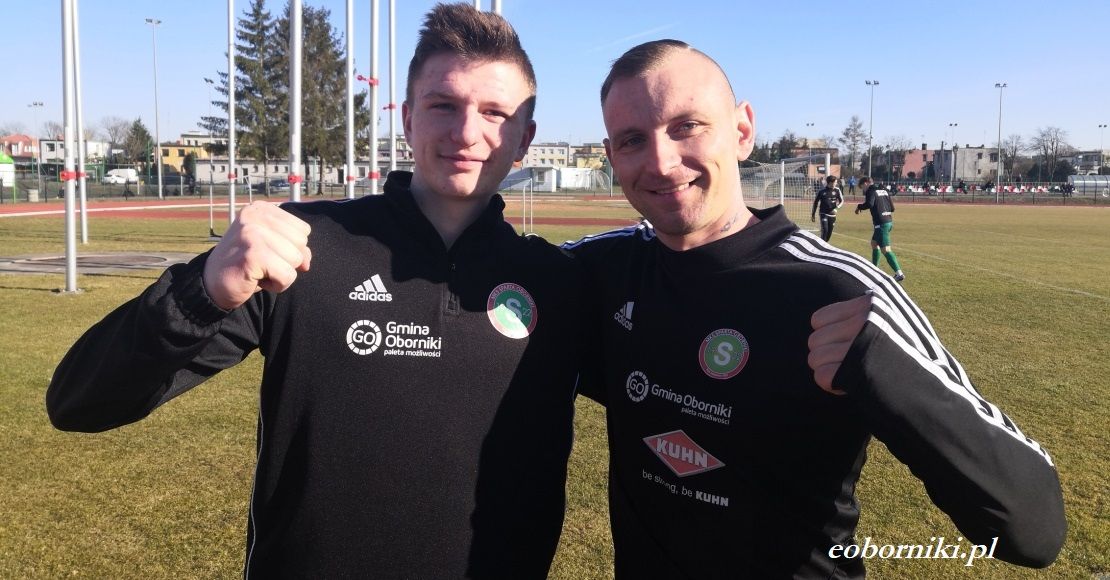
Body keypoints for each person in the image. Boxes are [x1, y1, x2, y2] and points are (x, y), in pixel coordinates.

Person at [47, 4, 585, 577]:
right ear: (408, 119)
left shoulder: (563, 283)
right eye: (443, 105)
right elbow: (80, 404)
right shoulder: (299, 245)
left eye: (494, 112)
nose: (466, 132)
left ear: (525, 139)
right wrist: (199, 294)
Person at [565, 39, 1065, 579]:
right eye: (633, 140)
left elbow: (1033, 529)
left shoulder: (839, 290)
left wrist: (887, 371)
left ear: (742, 130)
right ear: (612, 155)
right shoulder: (599, 271)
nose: (661, 162)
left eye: (687, 126)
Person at [855, 175, 904, 281]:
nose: (863, 190)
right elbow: (892, 208)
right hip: (888, 221)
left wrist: (859, 206)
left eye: (862, 187)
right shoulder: (884, 190)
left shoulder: (871, 190)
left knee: (885, 249)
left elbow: (869, 204)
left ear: (866, 183)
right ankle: (874, 268)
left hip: (881, 224)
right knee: (874, 243)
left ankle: (899, 273)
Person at [811, 174, 844, 242]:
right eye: (835, 182)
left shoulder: (837, 190)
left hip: (833, 214)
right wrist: (813, 214)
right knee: (825, 230)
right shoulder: (821, 191)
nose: (836, 183)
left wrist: (836, 208)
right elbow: (815, 203)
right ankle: (821, 246)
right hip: (823, 213)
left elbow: (842, 201)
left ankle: (823, 244)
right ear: (830, 182)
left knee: (829, 233)